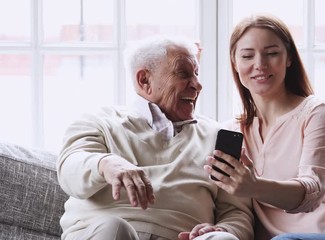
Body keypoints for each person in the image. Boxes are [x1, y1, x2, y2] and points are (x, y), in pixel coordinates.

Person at [204, 13, 325, 240]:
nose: (260, 65)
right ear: (234, 63)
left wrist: (254, 186)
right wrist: (220, 229)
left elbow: (312, 193)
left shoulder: (317, 113)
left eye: (272, 53)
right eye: (247, 56)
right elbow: (233, 209)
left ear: (289, 58)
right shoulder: (234, 132)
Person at [56, 35, 253, 240]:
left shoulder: (216, 136)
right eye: (183, 74)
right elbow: (69, 171)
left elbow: (237, 212)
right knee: (113, 228)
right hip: (109, 233)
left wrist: (224, 229)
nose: (197, 85)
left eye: (196, 73)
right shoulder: (99, 121)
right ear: (144, 80)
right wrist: (105, 164)